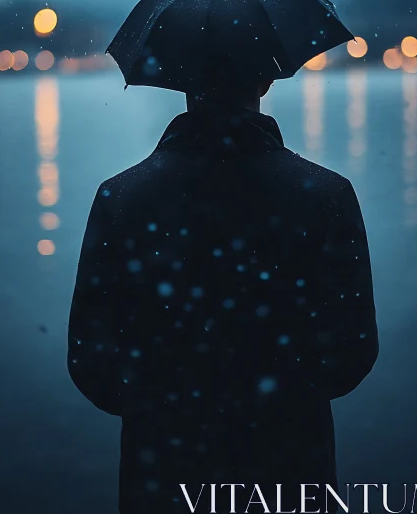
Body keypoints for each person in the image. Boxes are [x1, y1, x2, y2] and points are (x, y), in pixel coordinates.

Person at [67, 76, 379, 514]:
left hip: (165, 469)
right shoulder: (326, 194)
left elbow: (91, 360)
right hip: (289, 465)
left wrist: (164, 408)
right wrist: (281, 399)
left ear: (176, 76)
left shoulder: (121, 198)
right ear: (268, 78)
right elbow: (353, 354)